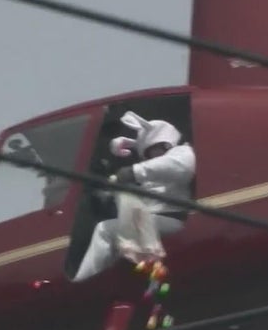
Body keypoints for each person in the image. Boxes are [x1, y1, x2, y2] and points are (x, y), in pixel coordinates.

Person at [74, 112, 195, 281]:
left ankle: (82, 282)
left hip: (172, 219)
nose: (151, 158)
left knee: (105, 230)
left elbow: (179, 166)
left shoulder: (182, 152)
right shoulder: (158, 170)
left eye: (153, 151)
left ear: (166, 143)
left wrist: (134, 172)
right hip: (152, 221)